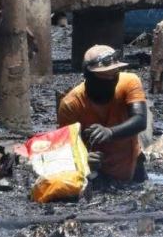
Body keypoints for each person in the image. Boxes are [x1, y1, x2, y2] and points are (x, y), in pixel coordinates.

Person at [58, 45, 149, 183]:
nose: (110, 82)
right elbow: (66, 147)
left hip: (132, 167)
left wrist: (110, 132)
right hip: (95, 174)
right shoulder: (71, 104)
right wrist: (83, 159)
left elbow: (140, 120)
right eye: (104, 79)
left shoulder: (129, 81)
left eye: (114, 76)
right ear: (89, 77)